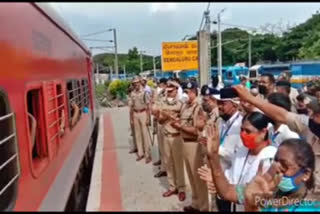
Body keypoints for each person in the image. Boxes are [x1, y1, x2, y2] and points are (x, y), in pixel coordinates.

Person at [203, 123, 320, 211]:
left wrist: (251, 207)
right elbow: (227, 192)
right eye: (275, 161)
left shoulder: (312, 205)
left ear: (306, 174)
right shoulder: (266, 189)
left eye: (285, 165)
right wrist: (213, 156)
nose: (277, 167)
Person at [233, 84, 320, 193]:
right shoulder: (308, 125)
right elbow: (282, 115)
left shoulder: (290, 134)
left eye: (317, 113)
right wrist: (250, 98)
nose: (311, 116)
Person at [198, 112, 277, 211]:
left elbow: (253, 194)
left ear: (263, 132)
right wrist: (215, 181)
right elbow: (230, 178)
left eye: (248, 131)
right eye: (241, 130)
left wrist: (222, 183)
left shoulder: (270, 157)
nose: (242, 134)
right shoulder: (242, 151)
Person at [171, 81, 209, 212]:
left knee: (198, 178)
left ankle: (204, 207)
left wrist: (180, 127)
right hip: (185, 143)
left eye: (188, 92)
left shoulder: (198, 107)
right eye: (185, 92)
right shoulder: (186, 106)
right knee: (191, 178)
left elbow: (196, 130)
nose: (186, 95)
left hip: (194, 144)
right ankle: (195, 204)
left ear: (194, 92)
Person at [157, 80, 186, 201]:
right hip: (166, 135)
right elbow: (159, 120)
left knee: (178, 163)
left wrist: (175, 119)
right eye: (168, 90)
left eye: (171, 90)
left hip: (177, 136)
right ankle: (172, 186)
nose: (169, 93)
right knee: (168, 162)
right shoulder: (162, 103)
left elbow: (184, 120)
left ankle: (182, 188)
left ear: (176, 90)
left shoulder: (181, 103)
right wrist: (163, 117)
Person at [129, 77, 152, 163]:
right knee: (137, 134)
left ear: (140, 83)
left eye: (137, 82)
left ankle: (147, 154)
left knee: (145, 135)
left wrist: (148, 118)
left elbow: (148, 106)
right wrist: (131, 118)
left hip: (143, 113)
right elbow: (131, 106)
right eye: (134, 83)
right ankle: (140, 153)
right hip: (135, 113)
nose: (136, 84)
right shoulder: (132, 93)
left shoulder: (145, 92)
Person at [152, 78, 167, 177]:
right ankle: (163, 165)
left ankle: (165, 168)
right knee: (161, 146)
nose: (160, 86)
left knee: (165, 148)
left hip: (166, 124)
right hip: (159, 122)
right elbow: (155, 105)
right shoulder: (160, 95)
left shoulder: (169, 96)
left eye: (161, 84)